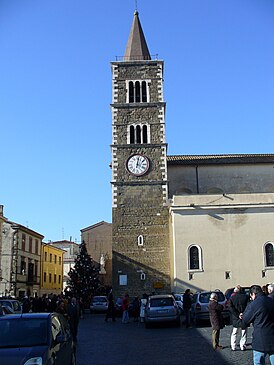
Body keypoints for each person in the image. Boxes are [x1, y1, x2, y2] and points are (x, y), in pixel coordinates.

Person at [242, 285, 274, 365]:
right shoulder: (272, 301)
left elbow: (246, 320)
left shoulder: (254, 304)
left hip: (260, 339)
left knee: (258, 362)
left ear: (253, 294)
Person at [229, 285, 249, 351]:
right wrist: (243, 313)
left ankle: (233, 346)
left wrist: (238, 314)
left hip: (235, 317)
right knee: (244, 332)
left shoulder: (232, 298)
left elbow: (230, 307)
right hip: (244, 316)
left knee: (234, 332)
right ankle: (242, 346)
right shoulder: (246, 297)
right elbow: (248, 306)